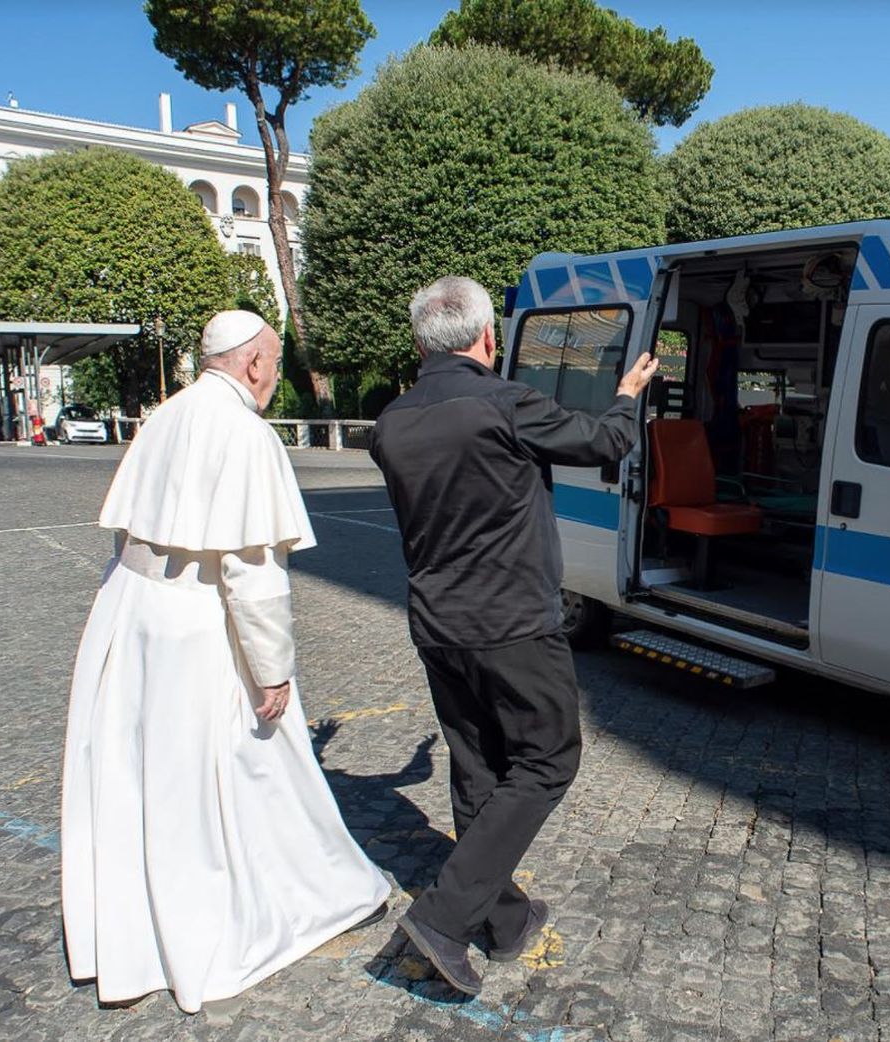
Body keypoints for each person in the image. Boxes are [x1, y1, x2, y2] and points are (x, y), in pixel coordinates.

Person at [61, 310, 390, 1014]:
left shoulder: (169, 413)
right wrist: (271, 671)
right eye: (273, 361)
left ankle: (132, 935)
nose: (274, 375)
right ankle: (245, 917)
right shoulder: (244, 431)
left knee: (133, 773)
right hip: (193, 622)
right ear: (254, 364)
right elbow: (253, 573)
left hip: (128, 604)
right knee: (238, 772)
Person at [371, 276, 659, 995]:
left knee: (479, 769)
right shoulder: (504, 403)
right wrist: (627, 392)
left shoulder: (392, 422)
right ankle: (442, 917)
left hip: (437, 621)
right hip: (512, 621)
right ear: (488, 339)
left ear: (417, 343)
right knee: (546, 760)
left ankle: (502, 920)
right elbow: (605, 443)